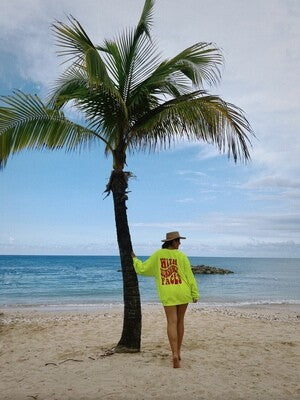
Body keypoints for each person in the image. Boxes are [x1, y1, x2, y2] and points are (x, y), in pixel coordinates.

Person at [132, 231, 199, 368]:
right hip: (183, 292)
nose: (180, 243)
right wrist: (195, 293)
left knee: (171, 322)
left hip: (168, 293)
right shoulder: (182, 256)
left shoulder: (158, 255)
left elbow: (144, 269)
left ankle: (174, 353)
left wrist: (134, 259)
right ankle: (178, 353)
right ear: (172, 242)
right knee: (180, 322)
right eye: (178, 241)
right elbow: (190, 276)